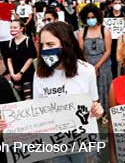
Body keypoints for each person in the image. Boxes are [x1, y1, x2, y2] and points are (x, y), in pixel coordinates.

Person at [33, 22, 103, 163]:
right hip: (54, 144)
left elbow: (94, 102)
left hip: (83, 142)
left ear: (66, 43)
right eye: (42, 45)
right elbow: (38, 109)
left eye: (50, 44)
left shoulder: (87, 70)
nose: (45, 49)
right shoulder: (39, 74)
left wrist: (98, 110)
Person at [78, 3, 112, 126]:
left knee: (104, 88)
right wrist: (89, 67)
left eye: (93, 17)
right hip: (87, 64)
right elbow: (80, 51)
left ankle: (105, 113)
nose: (91, 20)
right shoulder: (82, 32)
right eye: (88, 18)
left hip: (103, 64)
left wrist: (97, 66)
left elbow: (108, 51)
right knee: (90, 89)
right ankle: (92, 112)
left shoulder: (105, 31)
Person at [7, 19, 37, 100]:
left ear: (21, 29)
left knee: (29, 98)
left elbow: (30, 58)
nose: (12, 29)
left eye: (15, 27)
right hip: (15, 76)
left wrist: (21, 73)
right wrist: (12, 74)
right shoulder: (10, 42)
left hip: (27, 74)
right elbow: (9, 59)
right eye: (11, 27)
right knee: (21, 98)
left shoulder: (28, 41)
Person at [106, 0, 125, 79]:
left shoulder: (124, 16)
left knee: (123, 63)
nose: (117, 5)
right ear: (112, 4)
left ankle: (123, 80)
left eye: (119, 3)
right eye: (115, 3)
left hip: (123, 43)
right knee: (113, 63)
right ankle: (114, 79)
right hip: (112, 42)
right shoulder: (107, 16)